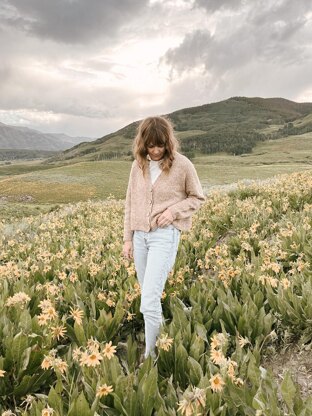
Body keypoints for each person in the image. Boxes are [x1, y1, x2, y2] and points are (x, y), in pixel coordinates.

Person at [122, 115, 205, 360]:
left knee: (147, 301)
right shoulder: (138, 166)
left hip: (164, 237)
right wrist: (127, 238)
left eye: (160, 145)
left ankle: (151, 356)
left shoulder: (183, 165)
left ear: (168, 143)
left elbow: (197, 197)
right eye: (151, 145)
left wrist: (173, 212)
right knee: (149, 295)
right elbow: (129, 203)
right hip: (140, 238)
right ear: (143, 144)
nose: (156, 150)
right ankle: (159, 337)